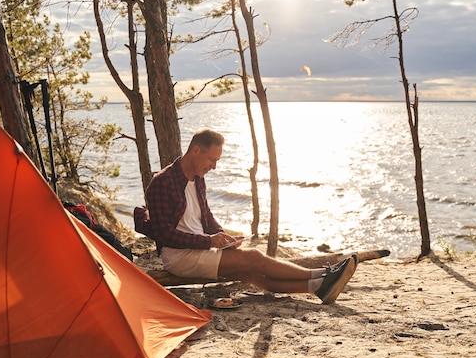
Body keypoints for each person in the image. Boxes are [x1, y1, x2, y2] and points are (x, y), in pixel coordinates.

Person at [142, 128, 358, 304]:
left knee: (252, 275)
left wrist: (222, 236)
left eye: (216, 161)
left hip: (199, 249)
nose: (214, 167)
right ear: (196, 150)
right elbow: (164, 235)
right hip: (179, 258)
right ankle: (322, 275)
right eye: (211, 159)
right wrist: (208, 242)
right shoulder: (162, 182)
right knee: (253, 257)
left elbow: (205, 217)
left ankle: (318, 287)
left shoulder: (197, 178)